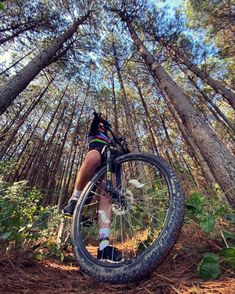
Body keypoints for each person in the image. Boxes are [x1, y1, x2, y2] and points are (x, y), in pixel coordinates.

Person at [63, 112, 122, 261]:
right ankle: (75, 198)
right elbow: (95, 124)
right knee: (93, 157)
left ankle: (104, 247)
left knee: (108, 192)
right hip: (96, 151)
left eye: (104, 126)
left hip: (107, 161)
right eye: (101, 125)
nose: (102, 126)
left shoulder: (107, 136)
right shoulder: (94, 132)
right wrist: (98, 119)